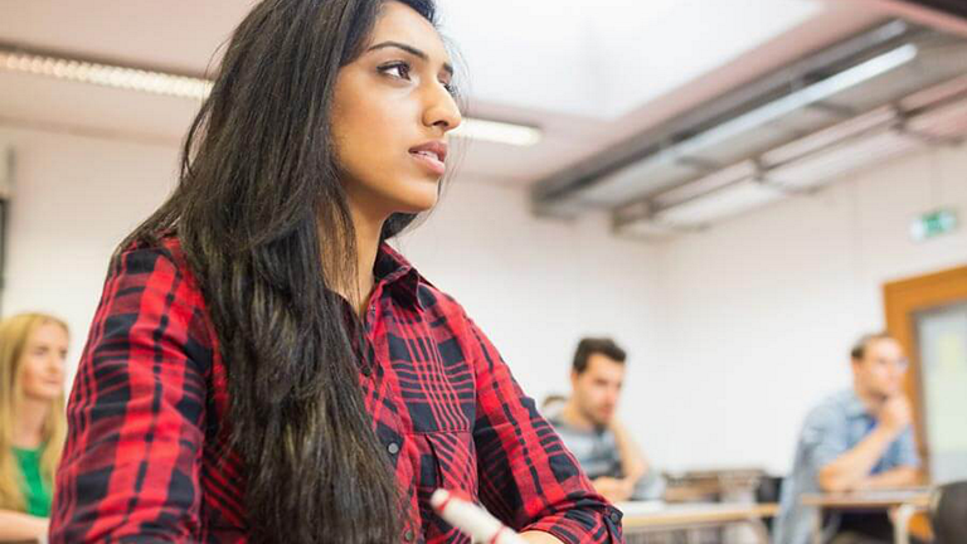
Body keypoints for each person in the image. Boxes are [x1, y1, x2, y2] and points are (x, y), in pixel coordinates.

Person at [48, 1, 623, 543]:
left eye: (445, 82)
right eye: (398, 70)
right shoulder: (177, 282)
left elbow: (585, 511)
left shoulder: (442, 325)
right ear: (299, 93)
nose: (446, 111)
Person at [774, 333, 922, 544]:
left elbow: (908, 473)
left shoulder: (894, 409)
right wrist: (885, 431)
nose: (894, 372)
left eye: (900, 363)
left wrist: (860, 484)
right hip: (824, 531)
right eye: (882, 363)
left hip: (876, 526)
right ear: (857, 366)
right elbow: (833, 481)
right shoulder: (829, 412)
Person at [549, 338, 662, 503]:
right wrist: (589, 492)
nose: (612, 398)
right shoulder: (547, 433)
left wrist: (615, 423)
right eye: (601, 383)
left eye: (618, 386)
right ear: (574, 378)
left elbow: (650, 490)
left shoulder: (611, 435)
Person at [0, 313, 68, 542]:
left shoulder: (70, 446)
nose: (55, 366)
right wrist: (53, 528)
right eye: (40, 352)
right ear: (10, 359)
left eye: (62, 354)